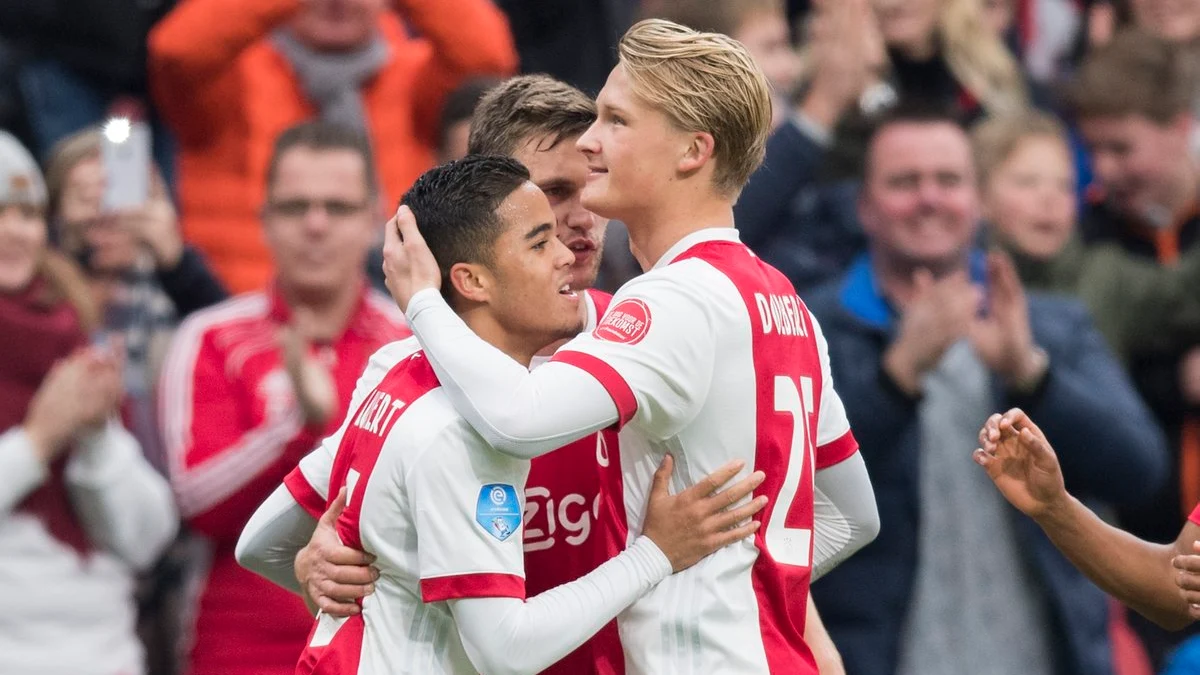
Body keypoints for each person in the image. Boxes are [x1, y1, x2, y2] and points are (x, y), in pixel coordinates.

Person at [297, 72, 848, 673]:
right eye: (552, 193)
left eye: (594, 185)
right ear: (486, 201)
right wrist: (320, 560)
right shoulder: (413, 370)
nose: (581, 213)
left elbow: (764, 547)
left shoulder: (658, 340)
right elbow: (295, 538)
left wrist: (714, 593)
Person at [238, 153, 769, 674]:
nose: (567, 253)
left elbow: (259, 544)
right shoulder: (466, 432)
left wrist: (320, 576)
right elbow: (506, 651)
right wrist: (656, 553)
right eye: (540, 242)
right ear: (472, 282)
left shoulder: (399, 375)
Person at [801, 104, 1169, 675]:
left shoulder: (1050, 326)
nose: (929, 198)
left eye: (948, 180)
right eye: (904, 182)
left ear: (977, 200)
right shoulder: (809, 327)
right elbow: (788, 494)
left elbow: (1141, 470)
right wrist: (896, 378)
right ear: (864, 208)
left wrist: (1032, 374)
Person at [158, 122, 410, 675]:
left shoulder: (412, 343)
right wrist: (296, 426)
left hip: (382, 644)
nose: (315, 225)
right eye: (295, 207)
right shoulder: (212, 337)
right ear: (264, 219)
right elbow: (195, 500)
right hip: (236, 646)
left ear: (374, 220)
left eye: (337, 208)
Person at [148, 0, 518, 293]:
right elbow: (178, 51)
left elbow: (487, 60)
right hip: (239, 318)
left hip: (397, 317)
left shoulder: (412, 77)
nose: (338, 2)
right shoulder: (233, 78)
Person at [0, 129, 178, 674]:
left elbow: (146, 538)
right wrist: (36, 443)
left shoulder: (74, 338)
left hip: (103, 651)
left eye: (27, 213)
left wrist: (97, 438)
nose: (15, 232)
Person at [972, 110, 1200, 368]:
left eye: (1064, 185)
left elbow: (1187, 292)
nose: (1050, 198)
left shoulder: (1106, 275)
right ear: (979, 196)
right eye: (1027, 182)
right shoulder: (962, 289)